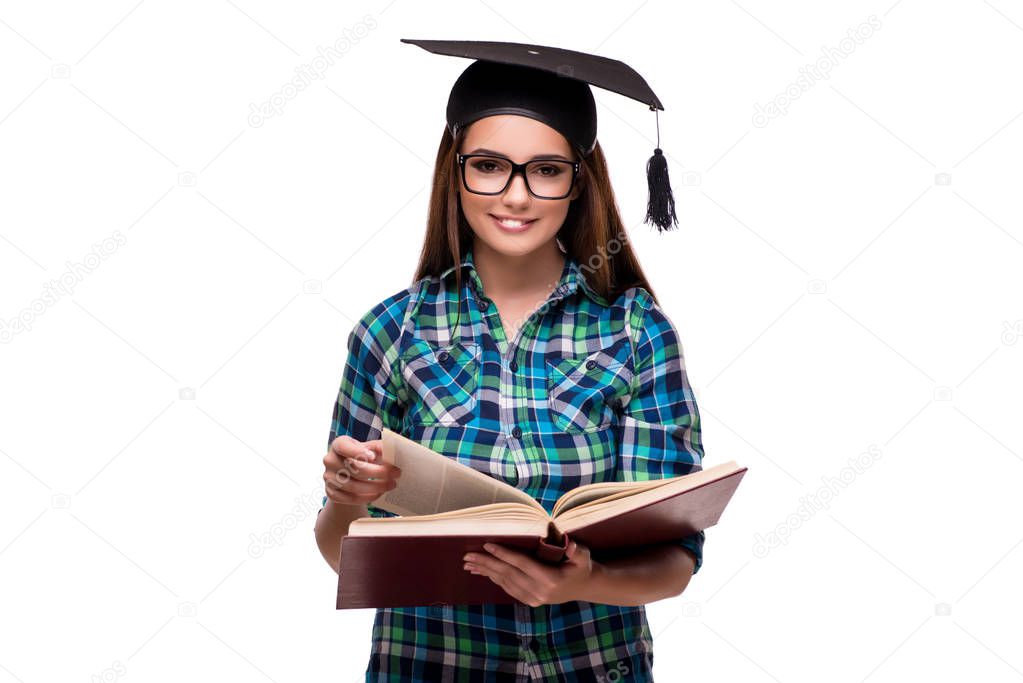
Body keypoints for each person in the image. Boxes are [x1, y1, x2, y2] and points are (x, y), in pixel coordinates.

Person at [314, 39, 706, 682]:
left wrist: (588, 581)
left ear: (580, 182)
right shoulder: (391, 332)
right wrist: (344, 499)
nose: (516, 196)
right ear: (455, 169)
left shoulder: (636, 331)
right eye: (490, 165)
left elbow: (674, 561)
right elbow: (343, 555)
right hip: (430, 668)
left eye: (546, 170)